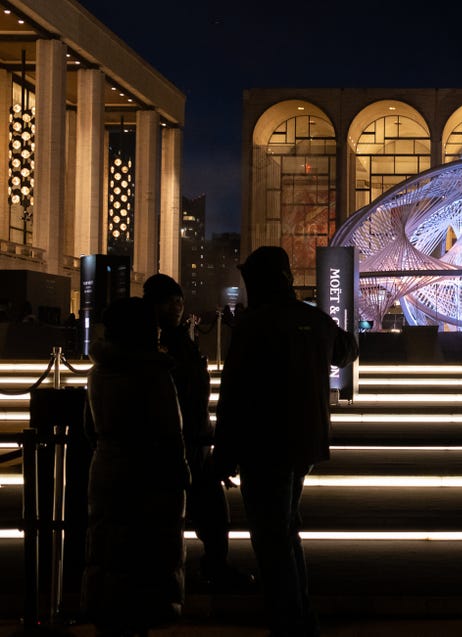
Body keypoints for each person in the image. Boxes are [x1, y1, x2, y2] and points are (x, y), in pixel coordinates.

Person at [212, 246, 359, 637]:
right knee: (285, 529)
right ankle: (299, 613)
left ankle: (290, 620)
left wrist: (223, 455)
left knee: (271, 536)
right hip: (305, 443)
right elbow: (349, 349)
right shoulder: (311, 320)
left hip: (263, 446)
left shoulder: (254, 325)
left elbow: (234, 394)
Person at [81, 296, 190, 637]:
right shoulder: (154, 374)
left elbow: (89, 428)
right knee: (147, 558)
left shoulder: (99, 371)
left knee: (109, 548)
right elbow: (170, 432)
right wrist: (182, 476)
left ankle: (107, 613)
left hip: (108, 468)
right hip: (150, 473)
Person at [142, 273, 254, 592]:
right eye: (170, 301)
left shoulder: (180, 338)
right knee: (174, 516)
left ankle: (212, 566)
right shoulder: (154, 342)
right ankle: (175, 574)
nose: (177, 306)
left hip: (195, 439)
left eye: (179, 301)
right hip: (170, 444)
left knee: (213, 512)